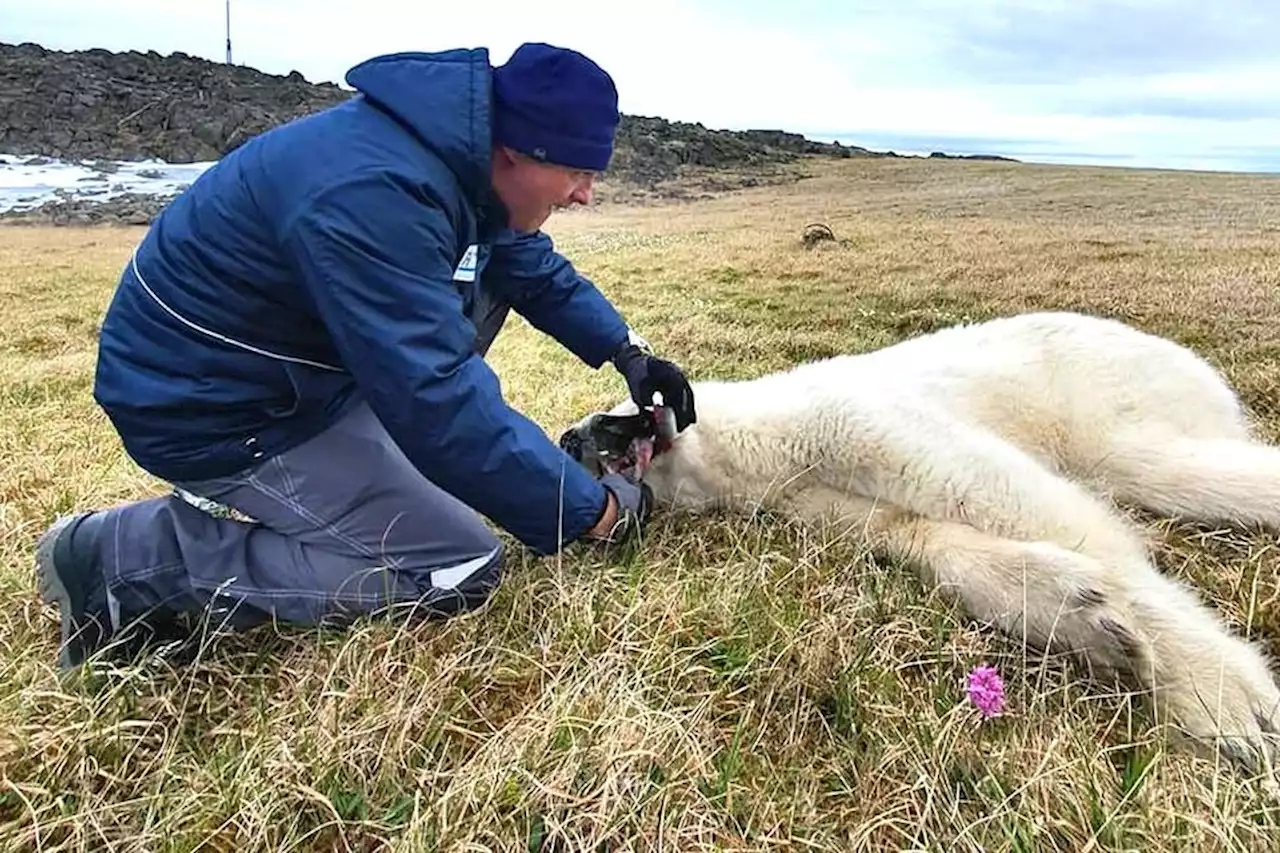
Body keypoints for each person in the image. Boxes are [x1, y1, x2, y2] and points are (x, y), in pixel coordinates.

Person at [33, 42, 698, 671]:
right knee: (455, 563)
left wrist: (629, 353)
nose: (585, 193)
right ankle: (123, 560)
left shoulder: (459, 168)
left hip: (286, 377)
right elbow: (435, 398)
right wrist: (593, 513)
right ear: (517, 150)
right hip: (208, 404)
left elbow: (528, 269)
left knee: (469, 368)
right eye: (578, 170)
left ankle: (374, 472)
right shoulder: (376, 194)